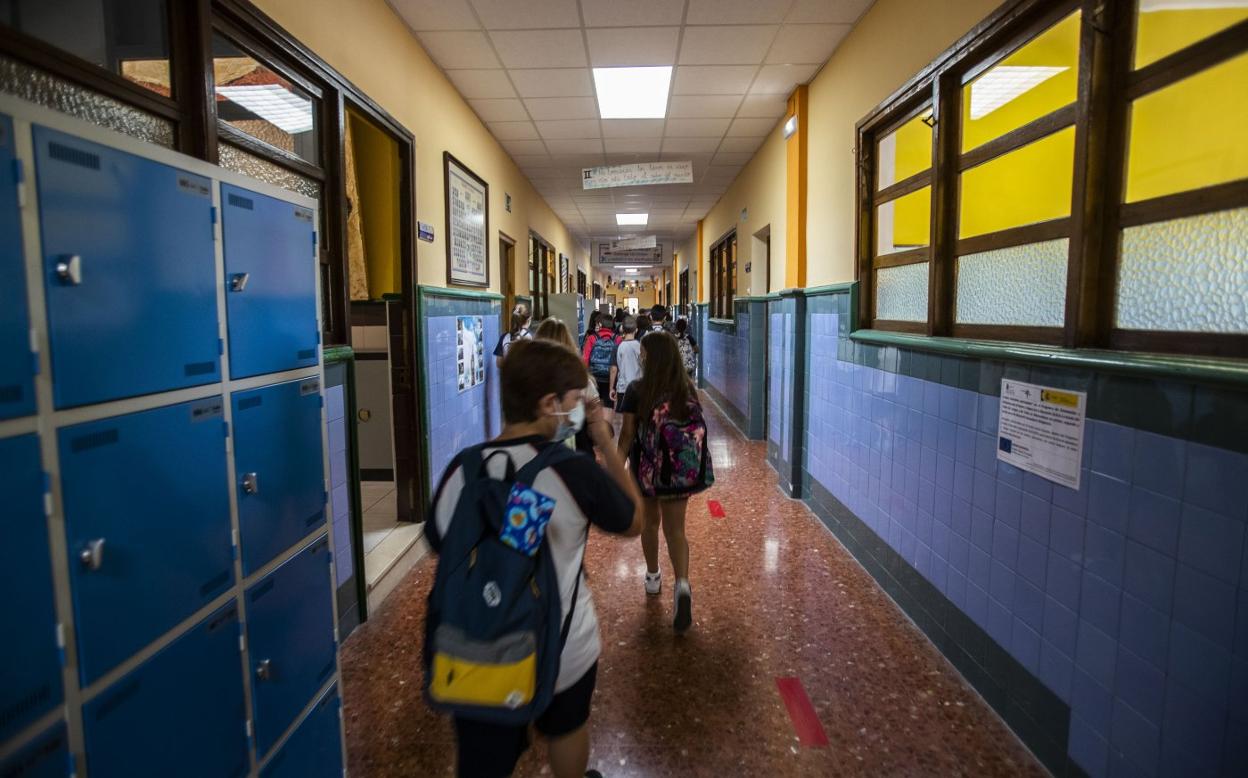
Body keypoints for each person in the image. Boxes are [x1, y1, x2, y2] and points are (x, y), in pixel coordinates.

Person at [431, 339, 643, 778]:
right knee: (566, 729)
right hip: (563, 643)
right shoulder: (571, 470)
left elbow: (439, 542)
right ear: (549, 403)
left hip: (476, 644)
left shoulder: (461, 469)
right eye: (573, 402)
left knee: (481, 755)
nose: (577, 411)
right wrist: (602, 434)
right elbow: (635, 520)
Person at [616, 331, 710, 634]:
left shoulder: (637, 389)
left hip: (646, 469)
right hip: (679, 473)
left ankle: (653, 577)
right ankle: (682, 583)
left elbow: (627, 434)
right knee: (676, 530)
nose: (641, 356)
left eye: (644, 353)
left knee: (650, 523)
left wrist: (617, 466)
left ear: (650, 357)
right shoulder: (687, 389)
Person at [536, 317, 598, 455]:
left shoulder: (531, 382)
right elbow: (595, 422)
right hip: (578, 455)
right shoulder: (582, 381)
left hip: (535, 453)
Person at [607, 316, 642, 412]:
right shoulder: (641, 346)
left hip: (623, 388)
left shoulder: (618, 347)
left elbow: (614, 369)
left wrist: (611, 388)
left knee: (623, 416)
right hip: (639, 387)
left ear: (622, 329)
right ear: (637, 330)